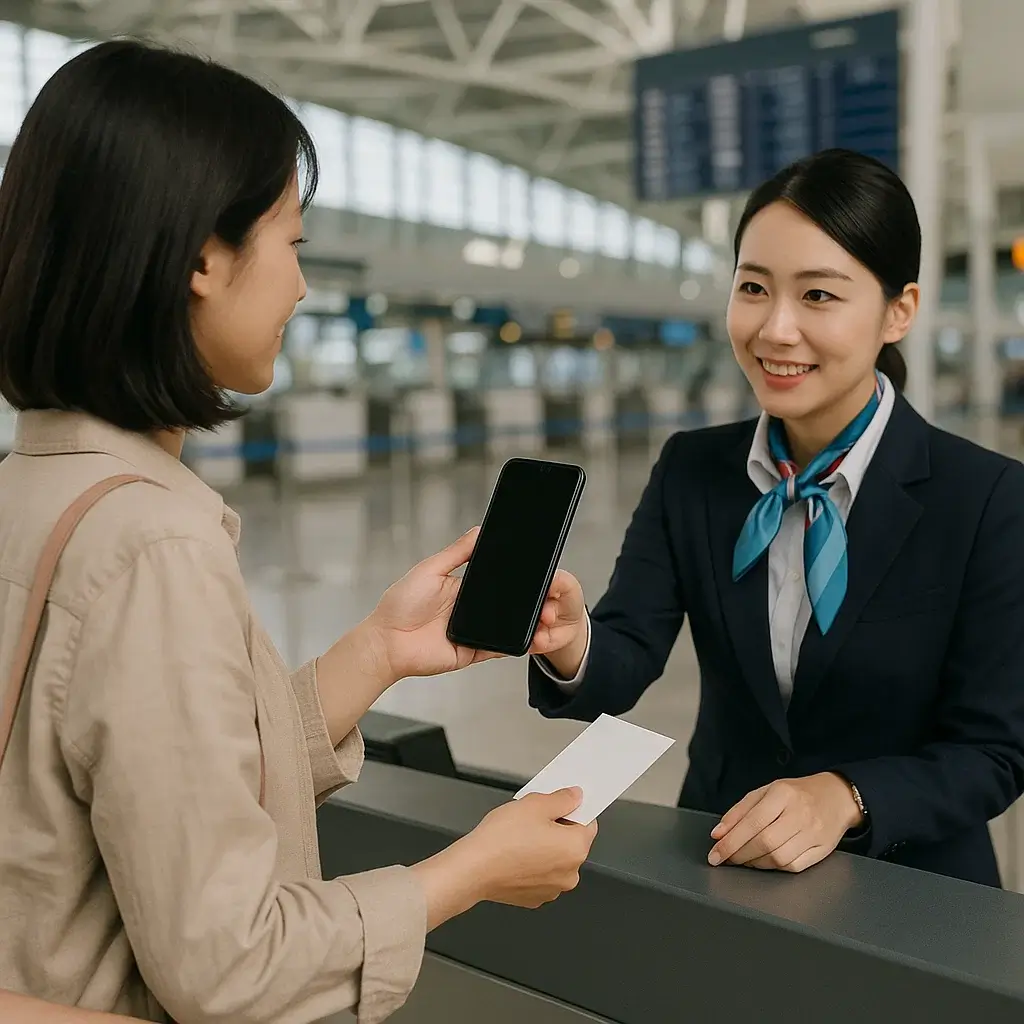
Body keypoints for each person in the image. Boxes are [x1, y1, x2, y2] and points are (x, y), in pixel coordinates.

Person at [0, 41, 597, 1024]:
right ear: (200, 256)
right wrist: (471, 869)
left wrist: (375, 653)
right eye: (293, 244)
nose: (302, 289)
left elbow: (152, 784)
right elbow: (230, 968)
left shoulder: (36, 491)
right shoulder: (152, 546)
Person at [529, 148, 1024, 888]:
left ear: (900, 311)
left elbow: (995, 750)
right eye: (753, 288)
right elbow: (628, 651)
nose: (776, 330)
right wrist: (572, 645)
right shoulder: (693, 471)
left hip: (913, 888)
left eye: (819, 296)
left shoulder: (986, 499)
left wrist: (847, 797)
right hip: (722, 859)